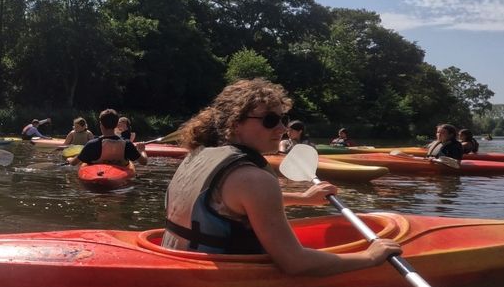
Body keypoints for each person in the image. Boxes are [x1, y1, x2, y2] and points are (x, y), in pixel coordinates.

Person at [161, 78, 403, 274]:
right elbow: (295, 263)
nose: (282, 128)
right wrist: (369, 257)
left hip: (175, 259)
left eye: (283, 119)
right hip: (220, 277)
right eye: (270, 120)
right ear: (235, 124)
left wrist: (303, 198)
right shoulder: (254, 179)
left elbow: (232, 203)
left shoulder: (197, 155)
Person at [70, 109, 148, 167]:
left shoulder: (92, 144)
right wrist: (142, 150)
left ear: (101, 125)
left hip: (96, 180)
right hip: (119, 180)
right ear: (116, 125)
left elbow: (73, 163)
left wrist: (70, 159)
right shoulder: (127, 144)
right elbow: (144, 162)